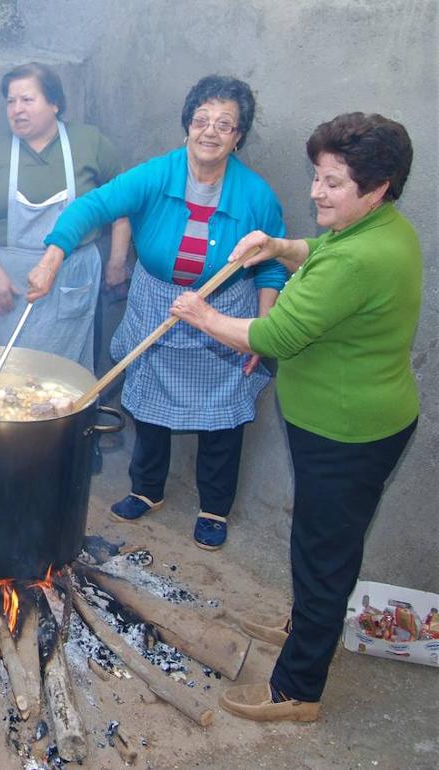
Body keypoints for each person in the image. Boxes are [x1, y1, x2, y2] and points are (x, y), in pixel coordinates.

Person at [172, 113, 420, 722]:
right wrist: (279, 246)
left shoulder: (361, 258)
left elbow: (275, 333)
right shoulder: (379, 227)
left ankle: (297, 689)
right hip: (345, 420)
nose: (316, 192)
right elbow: (319, 250)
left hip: (347, 431)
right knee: (322, 539)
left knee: (324, 551)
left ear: (377, 186)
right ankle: (305, 622)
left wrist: (201, 315)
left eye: (333, 183)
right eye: (317, 177)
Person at [32, 75, 288, 550]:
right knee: (148, 403)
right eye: (201, 120)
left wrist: (261, 330)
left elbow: (272, 268)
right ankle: (147, 490)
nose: (209, 132)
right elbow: (92, 207)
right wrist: (52, 256)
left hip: (224, 311)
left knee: (223, 418)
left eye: (224, 125)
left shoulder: (256, 196)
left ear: (238, 137)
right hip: (157, 303)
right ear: (187, 126)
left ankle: (214, 507)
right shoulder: (157, 175)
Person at [0, 61, 131, 370]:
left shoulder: (89, 143)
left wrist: (117, 262)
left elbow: (122, 206)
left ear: (54, 103)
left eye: (27, 100)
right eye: (10, 101)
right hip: (6, 283)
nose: (16, 110)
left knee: (59, 382)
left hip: (71, 279)